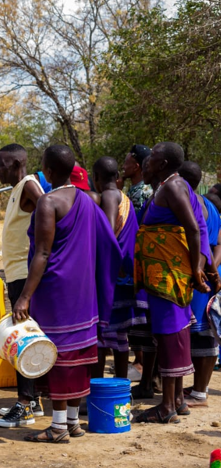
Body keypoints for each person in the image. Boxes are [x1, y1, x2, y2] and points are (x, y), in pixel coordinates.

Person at [13, 145, 121, 443]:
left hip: (56, 290)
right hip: (83, 289)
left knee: (58, 353)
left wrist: (24, 296)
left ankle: (58, 426)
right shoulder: (88, 201)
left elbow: (43, 252)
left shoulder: (48, 202)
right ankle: (73, 421)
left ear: (47, 172)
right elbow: (109, 242)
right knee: (80, 353)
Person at [133, 142, 216, 424]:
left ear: (164, 164)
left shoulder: (172, 187)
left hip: (169, 275)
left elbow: (194, 227)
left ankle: (167, 405)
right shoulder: (175, 186)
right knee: (175, 332)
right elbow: (200, 226)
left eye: (152, 158)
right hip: (168, 274)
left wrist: (196, 269)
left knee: (170, 335)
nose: (147, 162)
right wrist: (206, 265)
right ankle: (178, 399)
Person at [0, 144, 45, 428]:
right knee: (26, 336)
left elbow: (49, 209)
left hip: (26, 277)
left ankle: (24, 405)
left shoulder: (29, 185)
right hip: (16, 274)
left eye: (0, 165)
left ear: (15, 164)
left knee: (22, 339)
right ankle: (33, 401)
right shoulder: (17, 190)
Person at [89, 156, 142, 380]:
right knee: (119, 337)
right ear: (118, 177)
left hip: (114, 276)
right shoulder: (125, 197)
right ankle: (119, 390)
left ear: (96, 178)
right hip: (126, 274)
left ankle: (98, 390)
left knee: (103, 336)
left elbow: (108, 233)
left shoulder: (109, 196)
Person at [177, 161, 221, 407]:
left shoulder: (192, 205)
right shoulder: (211, 207)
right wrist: (213, 270)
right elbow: (218, 243)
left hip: (199, 278)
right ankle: (197, 389)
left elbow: (200, 240)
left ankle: (200, 393)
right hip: (208, 273)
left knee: (203, 334)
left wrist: (203, 270)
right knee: (207, 331)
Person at [120, 144, 153, 215]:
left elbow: (132, 220)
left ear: (135, 167)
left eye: (126, 163)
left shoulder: (141, 191)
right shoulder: (136, 188)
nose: (123, 167)